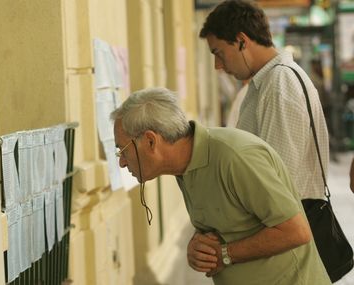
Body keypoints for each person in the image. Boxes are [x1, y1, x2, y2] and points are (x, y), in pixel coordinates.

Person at [111, 87, 330, 285]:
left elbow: (296, 232)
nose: (121, 161)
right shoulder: (185, 167)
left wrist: (225, 254)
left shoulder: (235, 156)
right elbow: (224, 227)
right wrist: (197, 249)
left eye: (123, 150)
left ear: (150, 141)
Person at [189, 0, 330, 274]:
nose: (218, 65)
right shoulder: (265, 84)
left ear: (242, 41)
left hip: (284, 249)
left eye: (219, 52)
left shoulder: (279, 86)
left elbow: (277, 184)